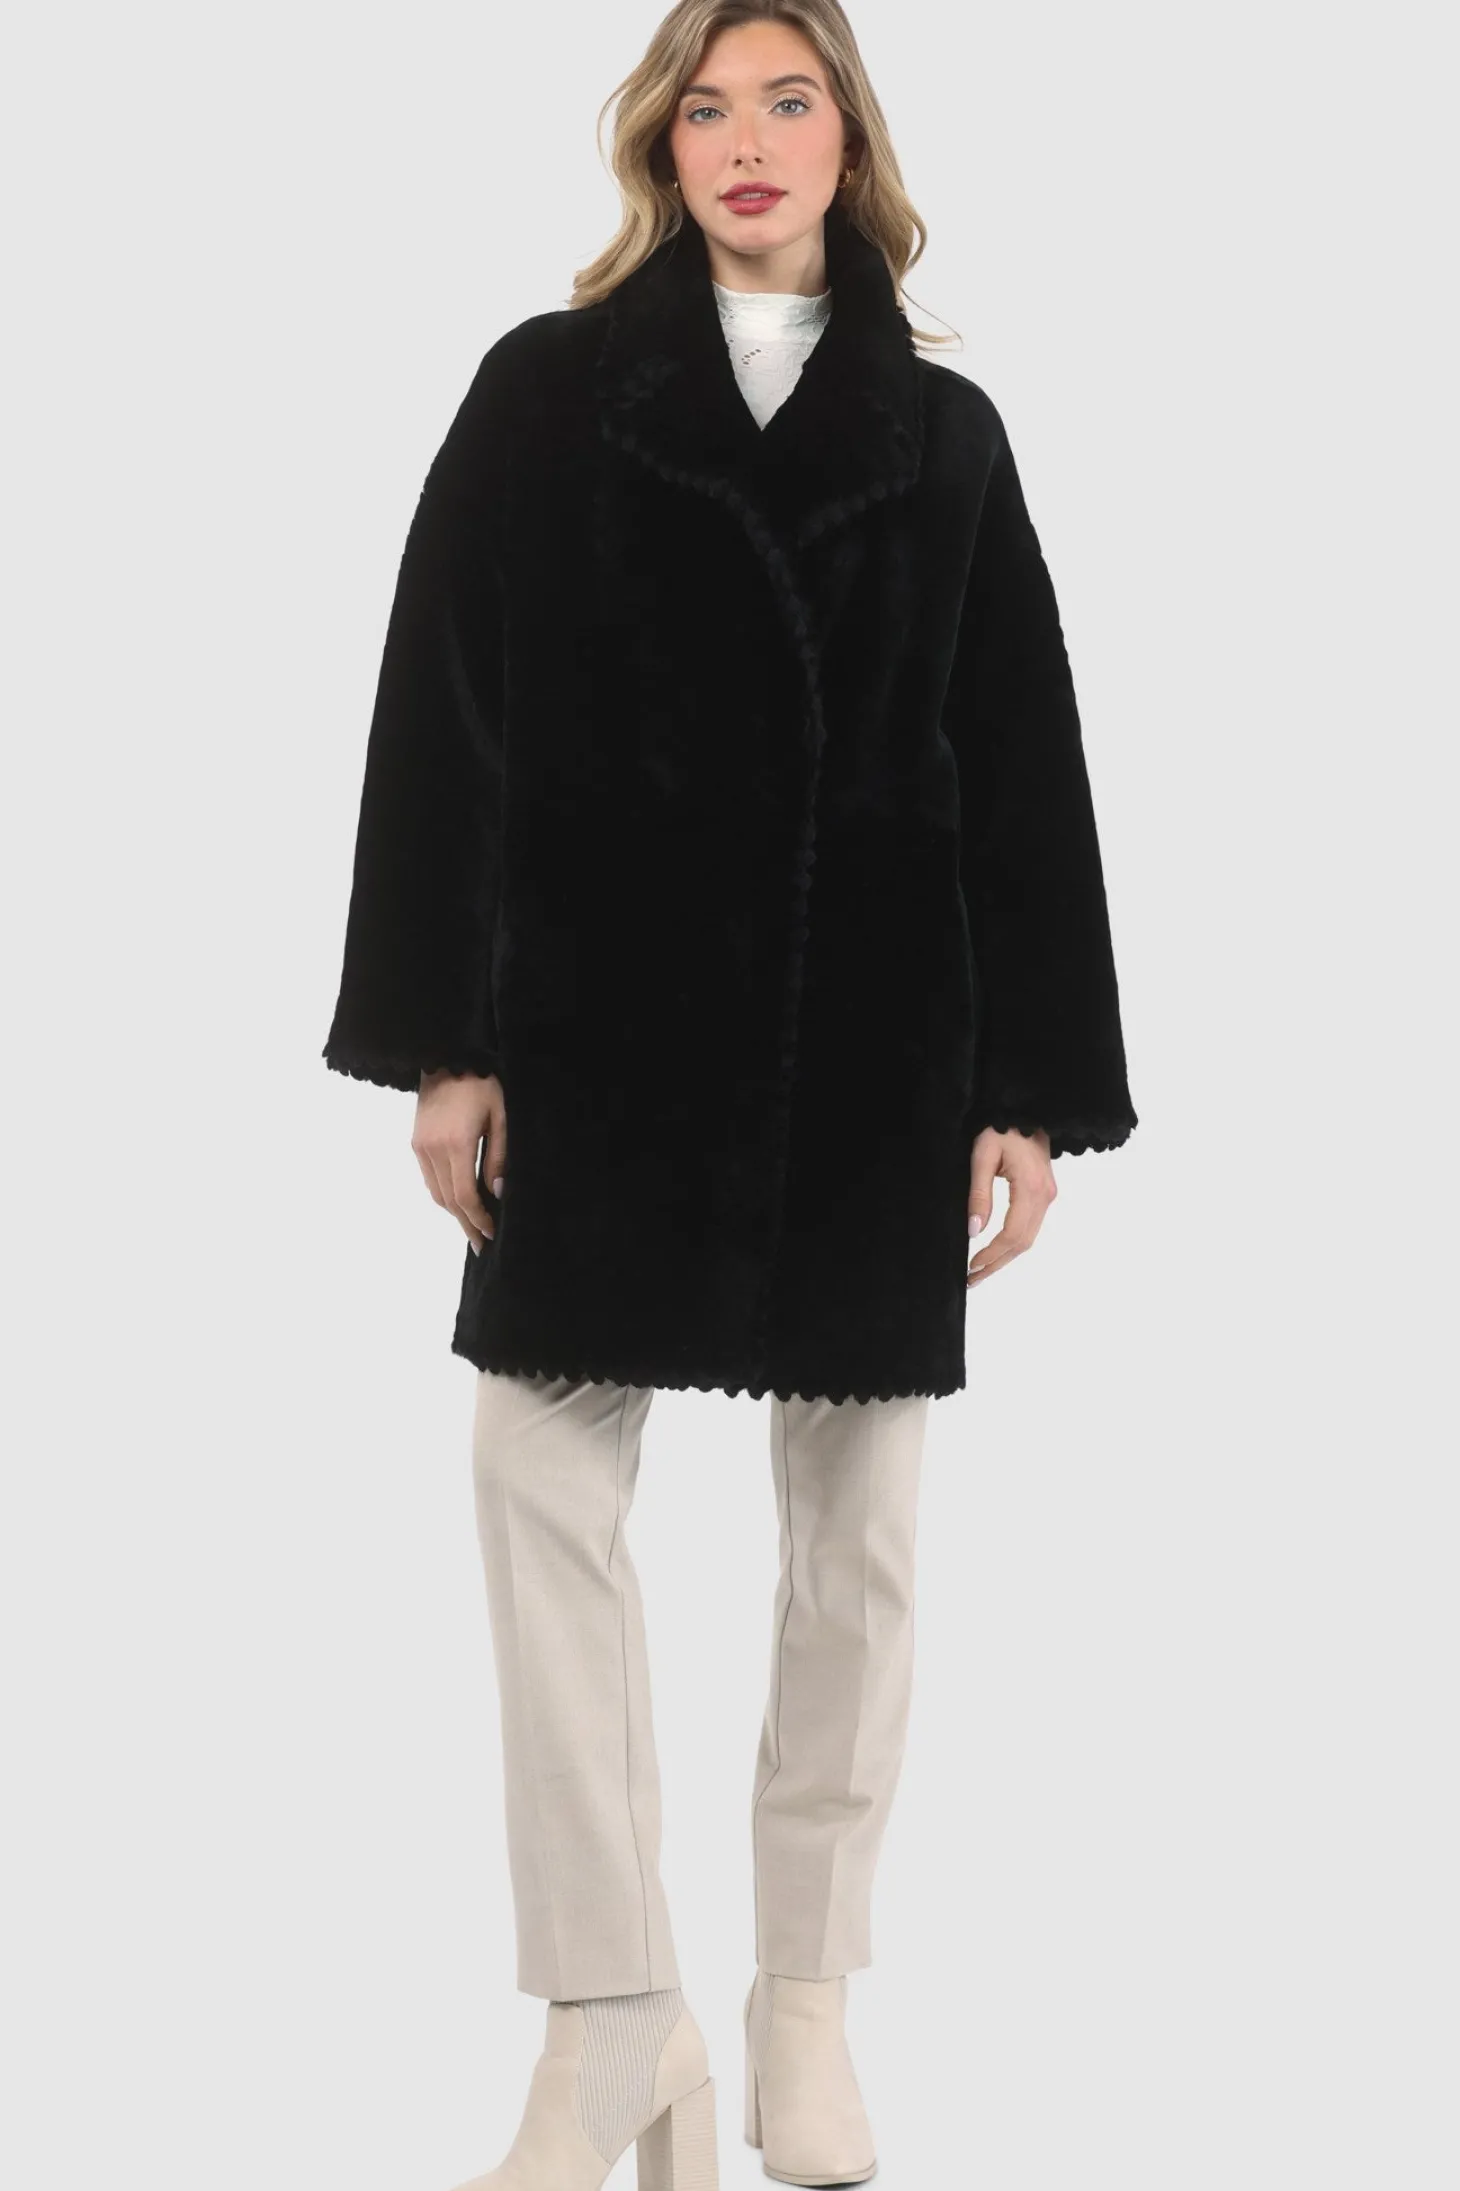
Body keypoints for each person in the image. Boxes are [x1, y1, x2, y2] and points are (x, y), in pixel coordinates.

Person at [321, 3, 1138, 2185]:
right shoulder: (545, 391)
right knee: (532, 1468)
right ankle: (613, 2013)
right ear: (656, 146)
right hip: (594, 1031)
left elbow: (1021, 758)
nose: (746, 139)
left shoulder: (942, 434)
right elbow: (439, 714)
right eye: (705, 105)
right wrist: (445, 1039)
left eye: (789, 100)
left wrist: (1029, 1085)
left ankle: (805, 2004)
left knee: (858, 1532)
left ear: (850, 136)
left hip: (868, 1033)